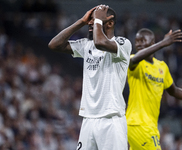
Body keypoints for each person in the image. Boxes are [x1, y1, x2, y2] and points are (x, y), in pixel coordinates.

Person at [48, 4, 132, 150]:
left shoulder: (122, 44)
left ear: (110, 23)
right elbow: (54, 45)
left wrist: (98, 20)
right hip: (89, 119)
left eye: (96, 21)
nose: (91, 24)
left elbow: (101, 43)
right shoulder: (87, 46)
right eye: (91, 21)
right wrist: (81, 21)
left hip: (111, 119)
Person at [126, 28, 182, 150]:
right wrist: (162, 43)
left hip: (151, 126)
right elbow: (133, 61)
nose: (139, 44)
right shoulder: (135, 61)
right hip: (138, 124)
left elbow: (174, 91)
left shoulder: (162, 67)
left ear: (152, 41)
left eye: (143, 40)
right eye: (137, 41)